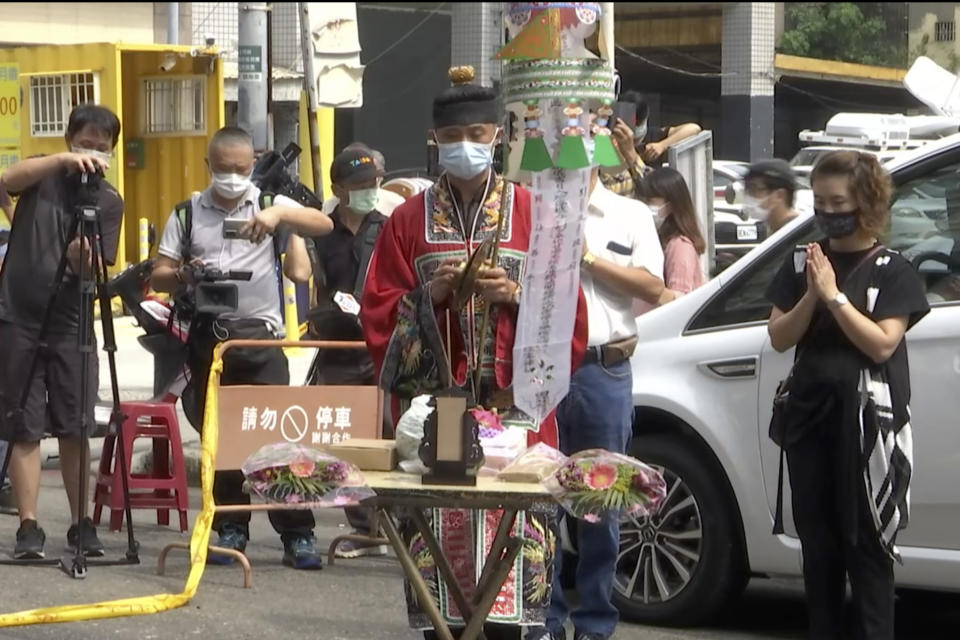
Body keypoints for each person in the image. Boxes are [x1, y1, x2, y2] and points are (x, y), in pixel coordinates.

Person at [361, 66, 588, 639]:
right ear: (435, 141)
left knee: (519, 558)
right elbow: (377, 309)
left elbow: (568, 310)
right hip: (438, 418)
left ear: (499, 136)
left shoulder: (534, 213)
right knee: (442, 572)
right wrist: (427, 296)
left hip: (516, 413)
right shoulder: (408, 222)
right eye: (455, 137)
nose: (468, 146)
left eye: (480, 135)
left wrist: (517, 296)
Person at [150, 126, 334, 570]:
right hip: (210, 340)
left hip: (261, 339)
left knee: (278, 440)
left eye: (240, 168)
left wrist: (277, 218)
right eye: (223, 168)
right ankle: (230, 527)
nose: (232, 176)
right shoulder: (187, 213)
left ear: (252, 164)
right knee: (219, 438)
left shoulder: (269, 203)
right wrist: (184, 276)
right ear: (208, 164)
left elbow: (324, 223)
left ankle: (297, 532)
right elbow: (158, 275)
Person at [766, 150, 929, 640]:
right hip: (810, 418)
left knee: (869, 548)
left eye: (838, 201)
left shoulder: (892, 269)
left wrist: (834, 296)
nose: (827, 212)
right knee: (819, 551)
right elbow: (778, 335)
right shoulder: (804, 261)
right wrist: (813, 294)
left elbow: (881, 343)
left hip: (867, 428)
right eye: (818, 201)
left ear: (866, 203)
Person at [533, 166, 665, 640]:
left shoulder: (628, 214)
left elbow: (652, 286)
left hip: (601, 367)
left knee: (601, 497)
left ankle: (593, 620)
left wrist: (585, 257)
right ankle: (543, 619)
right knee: (538, 495)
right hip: (541, 369)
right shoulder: (531, 208)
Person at [0, 105, 124, 559]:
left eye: (101, 147)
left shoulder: (108, 201)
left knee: (75, 425)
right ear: (69, 139)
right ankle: (28, 527)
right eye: (85, 144)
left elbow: (96, 268)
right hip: (19, 315)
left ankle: (80, 524)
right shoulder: (41, 175)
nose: (92, 154)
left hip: (73, 322)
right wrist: (61, 161)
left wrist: (81, 256)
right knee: (24, 423)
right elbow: (7, 180)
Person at [305, 146, 389, 558]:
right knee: (346, 441)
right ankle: (360, 526)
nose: (369, 191)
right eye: (359, 186)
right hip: (336, 347)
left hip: (380, 346)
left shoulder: (389, 228)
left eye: (374, 184)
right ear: (339, 189)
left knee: (388, 437)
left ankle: (389, 526)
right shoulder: (320, 231)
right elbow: (307, 281)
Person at [601, 90, 701, 199]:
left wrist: (662, 145)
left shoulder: (653, 137)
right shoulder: (606, 146)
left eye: (639, 124)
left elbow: (694, 128)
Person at [638, 167, 706, 306]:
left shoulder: (679, 246)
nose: (645, 205)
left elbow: (678, 298)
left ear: (671, 204)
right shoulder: (658, 238)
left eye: (650, 200)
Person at [320, 143, 405, 217]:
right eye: (360, 186)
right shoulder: (329, 207)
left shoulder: (395, 205)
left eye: (372, 185)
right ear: (337, 190)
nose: (368, 191)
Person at [744, 159, 799, 233]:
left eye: (754, 189)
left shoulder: (797, 233)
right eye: (747, 189)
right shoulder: (776, 229)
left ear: (780, 195)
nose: (749, 196)